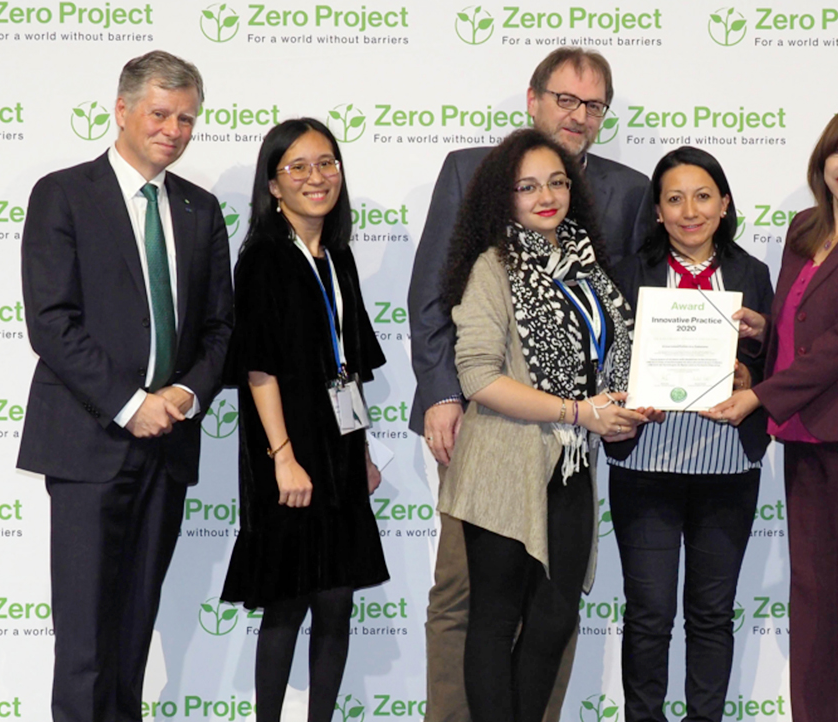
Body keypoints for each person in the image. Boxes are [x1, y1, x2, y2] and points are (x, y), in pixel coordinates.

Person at [407, 46, 652, 722]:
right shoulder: (469, 172)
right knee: (467, 597)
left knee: (555, 604)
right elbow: (432, 295)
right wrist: (441, 395)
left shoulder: (627, 191)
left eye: (592, 104)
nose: (577, 115)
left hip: (571, 449)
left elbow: (624, 318)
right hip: (483, 430)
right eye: (565, 99)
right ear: (533, 98)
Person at [17, 51, 233, 722]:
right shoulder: (64, 193)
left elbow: (220, 330)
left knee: (133, 635)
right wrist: (131, 404)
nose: (174, 129)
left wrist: (184, 396)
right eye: (160, 113)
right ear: (122, 110)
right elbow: (51, 322)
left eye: (187, 118)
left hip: (166, 451)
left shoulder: (200, 209)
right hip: (87, 447)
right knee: (84, 641)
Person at [708, 106, 838, 722]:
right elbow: (807, 324)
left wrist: (760, 395)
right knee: (814, 596)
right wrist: (764, 328)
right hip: (805, 436)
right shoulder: (805, 228)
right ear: (821, 160)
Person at [218, 118, 389, 722]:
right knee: (288, 600)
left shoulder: (336, 254)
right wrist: (283, 456)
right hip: (285, 451)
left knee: (338, 597)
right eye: (299, 167)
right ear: (273, 186)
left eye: (327, 163)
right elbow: (258, 369)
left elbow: (352, 365)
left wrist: (363, 451)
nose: (317, 178)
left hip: (339, 447)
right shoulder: (263, 259)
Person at [604, 146, 773, 722]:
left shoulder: (753, 274)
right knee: (649, 614)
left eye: (703, 196)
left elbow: (776, 368)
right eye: (674, 199)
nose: (689, 211)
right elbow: (602, 362)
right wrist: (627, 394)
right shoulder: (627, 272)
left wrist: (750, 373)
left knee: (711, 614)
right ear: (656, 211)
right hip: (645, 466)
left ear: (724, 204)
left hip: (726, 468)